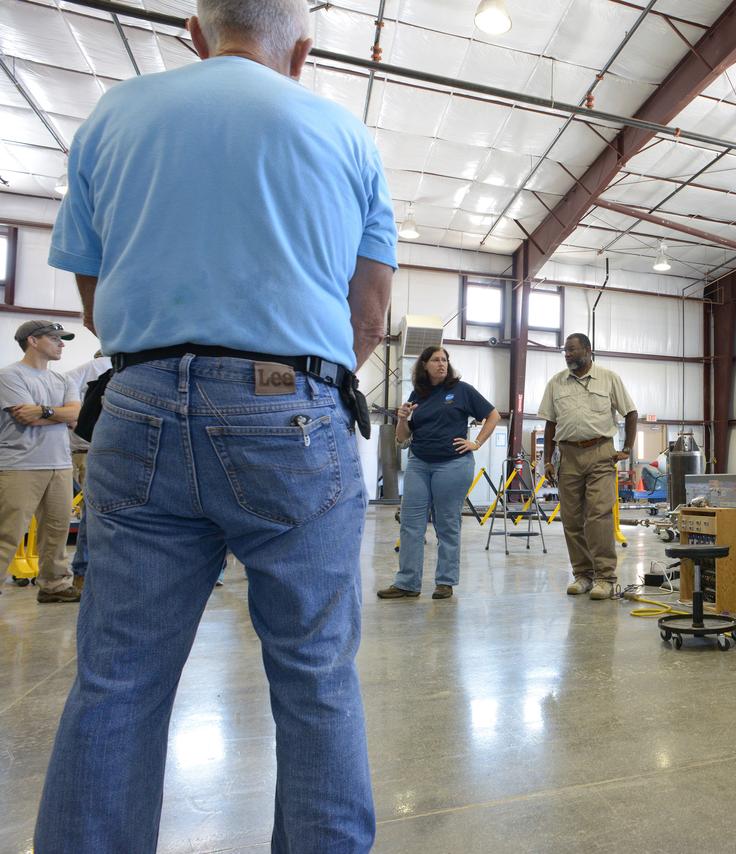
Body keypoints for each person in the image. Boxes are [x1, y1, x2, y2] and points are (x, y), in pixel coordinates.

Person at [36, 1, 396, 850]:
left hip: (137, 404)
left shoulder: (115, 116)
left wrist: (162, 358)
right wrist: (288, 378)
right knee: (316, 680)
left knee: (117, 680)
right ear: (302, 50)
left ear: (195, 37)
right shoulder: (346, 136)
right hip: (292, 413)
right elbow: (370, 315)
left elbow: (95, 287)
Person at [378, 345, 499, 601]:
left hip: (452, 465)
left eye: (445, 360)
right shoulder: (417, 394)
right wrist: (401, 418)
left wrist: (475, 443)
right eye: (435, 360)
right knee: (411, 524)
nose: (442, 364)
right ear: (425, 365)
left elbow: (493, 415)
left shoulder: (461, 391)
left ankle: (445, 582)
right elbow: (402, 438)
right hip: (419, 464)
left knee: (447, 524)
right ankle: (407, 582)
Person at [538, 332, 637, 600]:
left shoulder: (608, 378)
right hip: (568, 454)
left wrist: (626, 448)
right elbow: (550, 423)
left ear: (588, 350)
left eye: (571, 350)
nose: (567, 354)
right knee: (571, 518)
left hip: (601, 452)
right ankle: (583, 574)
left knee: (598, 514)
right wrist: (548, 460)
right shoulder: (556, 383)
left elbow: (630, 412)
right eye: (565, 351)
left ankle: (605, 577)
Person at [0, 320, 81, 603]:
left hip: (60, 464)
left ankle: (55, 585)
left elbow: (74, 415)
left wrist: (45, 411)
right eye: (55, 338)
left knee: (57, 530)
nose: (61, 344)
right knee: (8, 532)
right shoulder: (10, 376)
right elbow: (26, 417)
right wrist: (59, 416)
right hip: (20, 464)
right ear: (33, 341)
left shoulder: (63, 380)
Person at [61, 350, 111, 589]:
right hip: (93, 452)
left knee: (91, 512)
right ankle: (83, 571)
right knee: (92, 512)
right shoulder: (103, 370)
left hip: (91, 450)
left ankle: (83, 572)